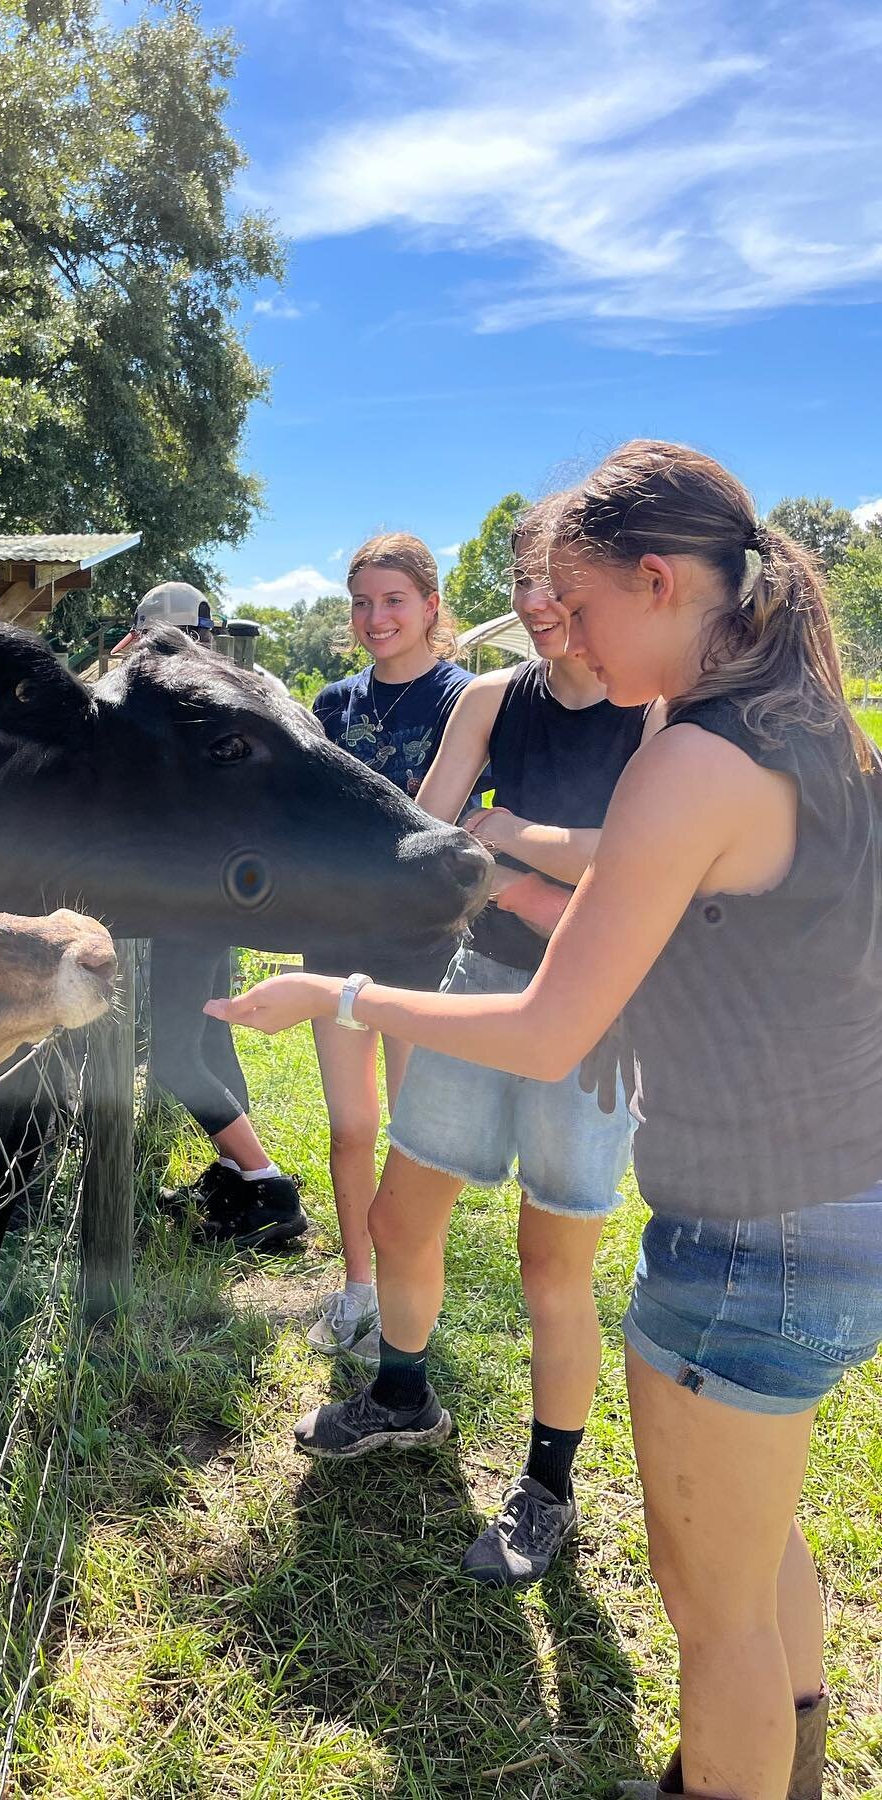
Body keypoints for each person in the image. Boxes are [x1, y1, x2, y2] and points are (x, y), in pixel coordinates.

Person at [208, 440, 882, 1800]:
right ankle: (781, 1770)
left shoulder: (691, 754)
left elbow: (546, 1027)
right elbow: (633, 867)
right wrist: (520, 843)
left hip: (750, 1233)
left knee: (716, 1611)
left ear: (656, 579)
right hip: (833, 1202)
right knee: (761, 1553)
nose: (562, 636)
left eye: (578, 606)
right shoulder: (810, 726)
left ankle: (737, 1776)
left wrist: (339, 995)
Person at [286, 500, 663, 1585]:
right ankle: (403, 1395)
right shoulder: (494, 701)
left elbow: (640, 862)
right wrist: (528, 864)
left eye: (558, 581)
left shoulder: (652, 711)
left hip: (592, 1004)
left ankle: (548, 1485)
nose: (539, 604)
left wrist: (505, 840)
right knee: (406, 1213)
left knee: (554, 1258)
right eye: (524, 580)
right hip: (479, 976)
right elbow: (427, 840)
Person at [302, 534, 475, 1360]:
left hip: (422, 946)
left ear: (431, 606)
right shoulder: (333, 704)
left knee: (415, 1137)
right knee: (350, 1128)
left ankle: (411, 1305)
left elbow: (466, 824)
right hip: (335, 936)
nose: (377, 618)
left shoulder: (465, 699)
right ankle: (358, 1289)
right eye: (364, 603)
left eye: (394, 600)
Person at [124, 581, 308, 1248]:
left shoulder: (179, 700)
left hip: (190, 897)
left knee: (174, 1053)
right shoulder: (249, 686)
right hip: (229, 892)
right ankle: (235, 1169)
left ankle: (267, 1188)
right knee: (211, 1033)